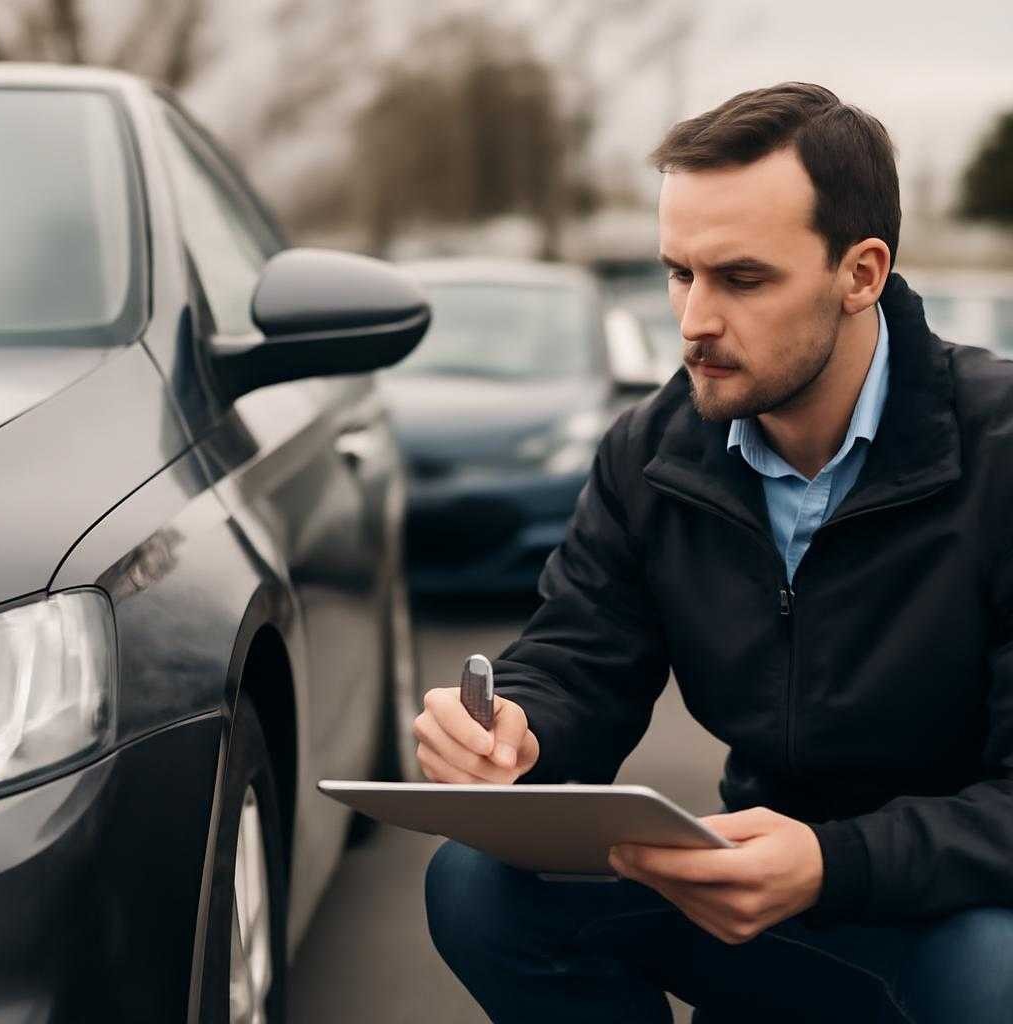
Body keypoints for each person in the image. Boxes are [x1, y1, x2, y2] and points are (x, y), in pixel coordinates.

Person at [415, 82, 1013, 1023]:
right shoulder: (653, 452)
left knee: (997, 966)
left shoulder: (999, 453)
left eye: (741, 279)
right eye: (676, 273)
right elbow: (582, 657)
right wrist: (516, 729)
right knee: (477, 885)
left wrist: (833, 863)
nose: (692, 320)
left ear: (861, 273)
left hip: (949, 919)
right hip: (747, 898)